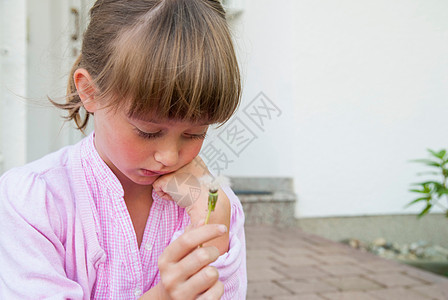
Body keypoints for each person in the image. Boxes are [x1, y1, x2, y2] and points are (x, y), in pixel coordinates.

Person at [0, 0, 246, 299]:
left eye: (195, 134)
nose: (168, 157)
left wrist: (214, 219)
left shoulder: (214, 203)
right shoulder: (35, 202)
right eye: (148, 131)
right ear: (90, 92)